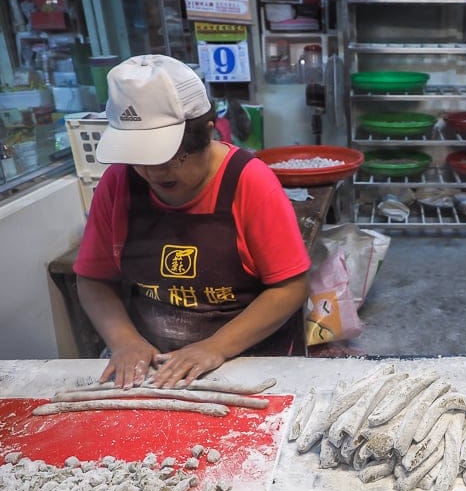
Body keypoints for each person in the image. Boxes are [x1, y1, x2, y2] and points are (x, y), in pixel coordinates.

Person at [74, 55, 310, 389]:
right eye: (140, 160)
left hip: (249, 361)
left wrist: (214, 347)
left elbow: (290, 287)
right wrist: (125, 341)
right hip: (154, 367)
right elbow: (93, 280)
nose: (154, 173)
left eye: (170, 158)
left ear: (207, 134)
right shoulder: (118, 182)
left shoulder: (249, 181)